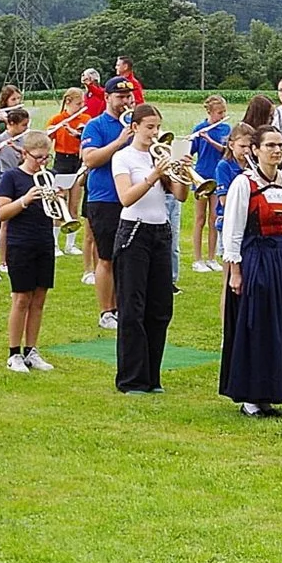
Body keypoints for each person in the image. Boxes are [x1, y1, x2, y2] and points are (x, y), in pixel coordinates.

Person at [216, 125, 282, 416]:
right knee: (257, 324)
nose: (277, 150)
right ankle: (250, 396)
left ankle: (275, 390)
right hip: (255, 256)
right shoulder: (244, 184)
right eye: (270, 145)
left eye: (280, 145)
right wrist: (235, 270)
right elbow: (232, 231)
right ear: (255, 150)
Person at [109, 103, 180, 394]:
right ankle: (131, 379)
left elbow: (182, 195)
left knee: (160, 308)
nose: (154, 133)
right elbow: (126, 197)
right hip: (133, 232)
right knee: (132, 308)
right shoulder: (122, 157)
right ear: (135, 127)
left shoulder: (160, 156)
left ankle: (153, 377)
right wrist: (153, 174)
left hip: (160, 232)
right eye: (149, 127)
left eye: (157, 127)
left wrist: (180, 170)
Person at [0, 129, 59, 372]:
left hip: (44, 241)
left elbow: (58, 217)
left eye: (46, 158)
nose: (43, 163)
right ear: (24, 153)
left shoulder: (49, 176)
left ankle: (32, 350)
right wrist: (25, 200)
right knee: (21, 298)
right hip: (20, 243)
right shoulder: (11, 177)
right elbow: (1, 213)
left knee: (39, 298)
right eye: (38, 157)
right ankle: (14, 353)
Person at [77, 84, 133, 327]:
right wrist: (120, 141)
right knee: (107, 257)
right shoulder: (96, 125)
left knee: (127, 258)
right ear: (108, 97)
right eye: (120, 97)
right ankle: (106, 311)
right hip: (104, 198)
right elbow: (89, 158)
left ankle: (122, 307)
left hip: (131, 197)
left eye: (128, 96)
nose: (125, 101)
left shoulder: (133, 122)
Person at [187, 95, 232, 273]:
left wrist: (209, 140)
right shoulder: (199, 128)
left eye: (223, 112)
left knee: (214, 219)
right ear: (210, 112)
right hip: (202, 177)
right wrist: (196, 138)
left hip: (218, 177)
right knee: (199, 219)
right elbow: (190, 152)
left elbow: (226, 151)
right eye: (219, 112)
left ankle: (212, 258)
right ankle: (198, 259)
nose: (222, 116)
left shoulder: (225, 129)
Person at [46, 87, 89, 256]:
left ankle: (70, 244)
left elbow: (86, 139)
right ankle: (55, 244)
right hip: (62, 161)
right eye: (78, 104)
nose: (81, 107)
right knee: (60, 202)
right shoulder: (57, 119)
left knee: (74, 204)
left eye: (82, 104)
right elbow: (47, 138)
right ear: (68, 102)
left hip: (77, 162)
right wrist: (57, 128)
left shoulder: (86, 119)